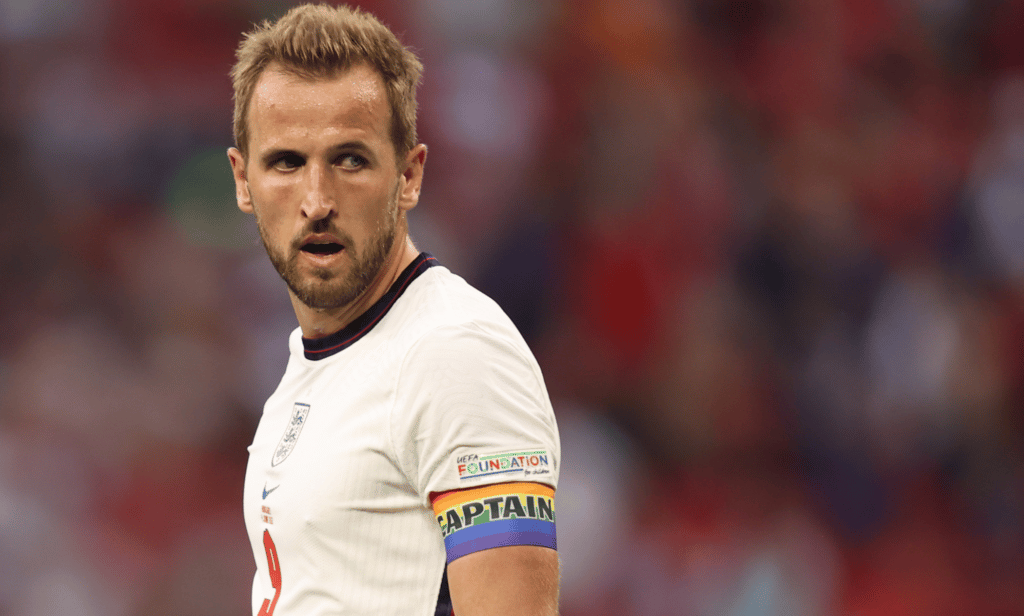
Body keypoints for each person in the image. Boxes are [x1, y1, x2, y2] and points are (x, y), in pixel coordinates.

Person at [226, 4, 561, 615]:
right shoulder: (316, 361)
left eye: (350, 160)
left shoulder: (455, 351)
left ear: (409, 175)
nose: (317, 200)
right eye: (287, 162)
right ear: (243, 181)